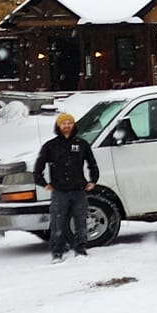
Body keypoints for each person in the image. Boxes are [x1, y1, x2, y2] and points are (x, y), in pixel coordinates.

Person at [33, 111, 98, 263]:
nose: (67, 126)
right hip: (59, 192)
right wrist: (44, 184)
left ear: (73, 125)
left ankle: (80, 250)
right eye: (64, 123)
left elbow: (92, 164)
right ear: (58, 126)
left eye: (69, 123)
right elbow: (38, 170)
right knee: (57, 223)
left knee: (81, 222)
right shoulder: (50, 146)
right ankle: (57, 253)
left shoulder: (82, 144)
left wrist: (93, 180)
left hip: (79, 191)